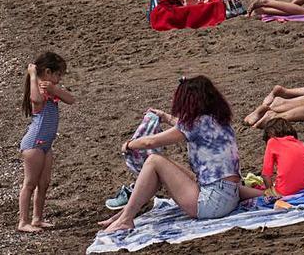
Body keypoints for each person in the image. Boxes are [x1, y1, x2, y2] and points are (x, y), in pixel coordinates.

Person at [99, 76, 263, 233]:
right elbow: (186, 126)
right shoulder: (218, 121)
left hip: (211, 204)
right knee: (162, 165)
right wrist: (165, 117)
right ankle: (124, 214)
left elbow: (150, 142)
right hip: (229, 196)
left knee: (154, 161)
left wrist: (128, 145)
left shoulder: (196, 124)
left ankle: (125, 219)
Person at [19, 52, 74, 233]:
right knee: (30, 183)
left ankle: (37, 218)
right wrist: (33, 75)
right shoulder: (39, 89)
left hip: (46, 144)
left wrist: (55, 89)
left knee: (44, 182)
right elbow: (35, 100)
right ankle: (23, 221)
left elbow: (71, 99)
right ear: (48, 72)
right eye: (58, 75)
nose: (59, 79)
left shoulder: (52, 90)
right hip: (34, 143)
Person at [261, 118, 304, 198]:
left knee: (258, 193)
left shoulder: (273, 142)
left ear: (270, 134)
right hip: (303, 193)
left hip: (283, 193)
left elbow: (266, 175)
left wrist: (271, 194)